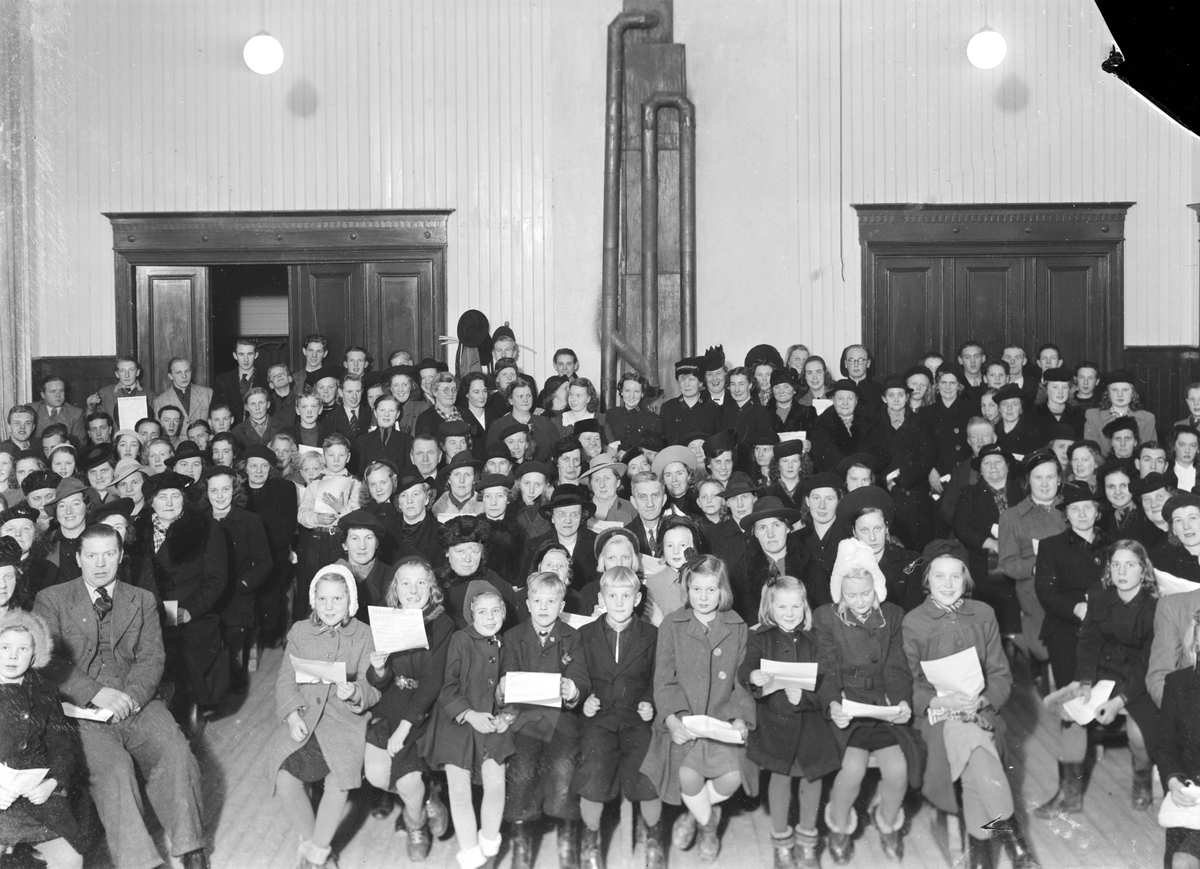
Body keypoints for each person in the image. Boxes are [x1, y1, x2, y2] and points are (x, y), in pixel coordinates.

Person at [34, 524, 208, 868]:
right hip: (80, 711)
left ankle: (190, 848)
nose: (100, 564)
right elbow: (50, 661)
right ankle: (139, 862)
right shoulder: (51, 599)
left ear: (121, 555)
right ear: (79, 558)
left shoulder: (141, 599)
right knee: (114, 770)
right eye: (92, 555)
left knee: (176, 752)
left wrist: (131, 698)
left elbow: (152, 658)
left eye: (109, 554)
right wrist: (96, 693)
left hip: (137, 702)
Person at [902, 541, 1036, 869]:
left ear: (966, 579)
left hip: (980, 709)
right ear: (927, 580)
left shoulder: (983, 614)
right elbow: (907, 683)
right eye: (939, 576)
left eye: (955, 576)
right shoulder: (914, 622)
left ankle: (980, 860)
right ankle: (1014, 841)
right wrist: (938, 700)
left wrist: (984, 700)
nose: (948, 584)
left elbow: (1000, 674)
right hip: (936, 716)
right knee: (974, 745)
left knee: (975, 765)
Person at [640, 554, 754, 864]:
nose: (703, 597)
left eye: (711, 589)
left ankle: (696, 815)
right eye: (696, 589)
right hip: (683, 721)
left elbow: (742, 682)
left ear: (722, 591)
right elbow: (663, 680)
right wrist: (672, 719)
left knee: (732, 777)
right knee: (687, 776)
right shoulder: (672, 624)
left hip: (722, 721)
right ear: (687, 590)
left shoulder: (737, 626)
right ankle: (708, 826)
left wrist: (740, 718)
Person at [269, 565, 379, 869]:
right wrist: (292, 715)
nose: (329, 607)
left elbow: (372, 688)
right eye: (322, 599)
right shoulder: (300, 631)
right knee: (284, 778)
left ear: (350, 601)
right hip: (307, 717)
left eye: (337, 599)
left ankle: (316, 855)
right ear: (313, 601)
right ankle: (312, 844)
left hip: (344, 722)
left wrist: (355, 692)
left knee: (339, 781)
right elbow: (285, 679)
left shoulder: (364, 635)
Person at [813, 539, 917, 865]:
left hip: (882, 706)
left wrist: (901, 702)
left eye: (866, 593)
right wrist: (833, 704)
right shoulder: (826, 618)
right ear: (839, 592)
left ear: (877, 587)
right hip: (848, 708)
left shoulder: (892, 616)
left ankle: (886, 820)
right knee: (852, 771)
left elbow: (896, 667)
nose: (859, 601)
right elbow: (826, 669)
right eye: (850, 595)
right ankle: (839, 825)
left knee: (899, 770)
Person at [738, 575, 839, 869]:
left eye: (796, 606)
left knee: (812, 776)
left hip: (809, 721)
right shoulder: (760, 637)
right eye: (782, 607)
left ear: (804, 607)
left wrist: (805, 697)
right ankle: (781, 841)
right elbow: (746, 667)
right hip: (775, 719)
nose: (790, 613)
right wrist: (752, 676)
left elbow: (826, 682)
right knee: (780, 777)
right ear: (770, 608)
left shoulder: (813, 639)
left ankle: (807, 840)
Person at [362, 557, 455, 859]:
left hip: (424, 712)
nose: (413, 591)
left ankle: (416, 824)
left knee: (408, 781)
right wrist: (378, 669)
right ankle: (429, 798)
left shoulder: (443, 624)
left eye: (420, 583)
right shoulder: (386, 620)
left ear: (432, 588)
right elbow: (379, 681)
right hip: (390, 705)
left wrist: (404, 727)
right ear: (396, 589)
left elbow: (433, 682)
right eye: (406, 583)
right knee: (376, 776)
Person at [573, 566, 664, 868]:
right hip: (599, 718)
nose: (619, 602)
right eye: (612, 596)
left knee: (648, 768)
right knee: (594, 768)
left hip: (636, 718)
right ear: (601, 598)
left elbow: (658, 678)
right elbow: (578, 676)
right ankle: (590, 841)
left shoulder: (652, 635)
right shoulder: (585, 634)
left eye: (626, 596)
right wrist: (584, 700)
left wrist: (650, 701)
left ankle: (653, 837)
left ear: (637, 599)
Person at [498, 572, 589, 869]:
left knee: (563, 768)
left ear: (561, 605)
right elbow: (508, 677)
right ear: (527, 604)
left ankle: (567, 837)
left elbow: (581, 677)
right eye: (537, 601)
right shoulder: (513, 637)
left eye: (551, 602)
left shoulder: (572, 637)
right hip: (525, 719)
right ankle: (521, 841)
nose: (544, 607)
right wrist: (504, 689)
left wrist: (573, 689)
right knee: (522, 769)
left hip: (562, 719)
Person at [1033, 481, 1109, 817]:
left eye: (1087, 508)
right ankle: (1069, 794)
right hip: (1067, 631)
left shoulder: (1113, 547)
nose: (1081, 514)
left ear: (1097, 511)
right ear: (1066, 515)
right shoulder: (1051, 546)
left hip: (1108, 633)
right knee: (1074, 707)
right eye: (1074, 509)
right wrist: (1077, 608)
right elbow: (1046, 593)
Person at [427, 579, 515, 869]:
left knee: (496, 786)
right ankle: (470, 855)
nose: (489, 618)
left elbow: (515, 687)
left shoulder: (507, 643)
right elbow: (447, 688)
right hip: (459, 723)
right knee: (460, 792)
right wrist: (468, 714)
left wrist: (507, 715)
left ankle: (488, 847)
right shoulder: (460, 640)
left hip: (492, 722)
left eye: (495, 611)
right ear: (471, 615)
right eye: (482, 612)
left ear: (503, 613)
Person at [132, 471, 229, 729]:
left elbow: (216, 579)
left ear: (184, 499)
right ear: (151, 502)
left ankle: (189, 715)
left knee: (187, 662)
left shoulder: (206, 528)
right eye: (162, 497)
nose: (169, 502)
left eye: (175, 496)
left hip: (189, 611)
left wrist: (190, 610)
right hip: (147, 613)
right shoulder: (136, 529)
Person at [0, 608, 96, 868]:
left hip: (36, 799)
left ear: (34, 655)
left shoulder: (46, 691)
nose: (12, 655)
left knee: (71, 859)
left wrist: (52, 783)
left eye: (23, 649)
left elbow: (62, 748)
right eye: (5, 647)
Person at [1070, 539, 1160, 810]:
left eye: (1130, 565)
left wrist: (1119, 701)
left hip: (1138, 678)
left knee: (1139, 737)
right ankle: (1069, 793)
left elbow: (1147, 663)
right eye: (1116, 565)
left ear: (1143, 570)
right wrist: (1085, 681)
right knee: (1071, 718)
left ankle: (1142, 779)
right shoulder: (1099, 597)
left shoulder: (1155, 608)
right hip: (1104, 672)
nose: (1122, 572)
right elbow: (1088, 643)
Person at [200, 464, 271, 694]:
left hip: (238, 597)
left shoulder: (250, 520)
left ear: (235, 490)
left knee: (235, 658)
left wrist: (243, 585)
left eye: (225, 489)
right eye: (214, 491)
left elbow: (264, 562)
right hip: (207, 597)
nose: (220, 496)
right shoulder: (199, 522)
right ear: (206, 493)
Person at [998, 450, 1067, 675]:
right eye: (1038, 478)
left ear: (1059, 479)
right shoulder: (1011, 517)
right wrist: (1037, 567)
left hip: (1072, 588)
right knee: (1048, 648)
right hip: (1035, 594)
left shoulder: (1073, 509)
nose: (1045, 484)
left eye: (1050, 477)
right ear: (1028, 481)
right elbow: (1008, 564)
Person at [953, 444, 1024, 641]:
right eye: (987, 463)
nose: (993, 467)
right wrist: (990, 543)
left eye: (998, 462)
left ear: (1007, 466)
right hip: (986, 566)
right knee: (992, 623)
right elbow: (961, 527)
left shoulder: (1022, 490)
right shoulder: (969, 493)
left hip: (1022, 562)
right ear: (980, 470)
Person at [295, 435, 361, 620]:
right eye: (331, 455)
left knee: (342, 586)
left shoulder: (355, 482)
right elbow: (302, 514)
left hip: (341, 540)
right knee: (315, 585)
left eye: (341, 455)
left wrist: (341, 510)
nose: (336, 460)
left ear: (348, 457)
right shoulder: (316, 482)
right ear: (324, 457)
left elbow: (358, 515)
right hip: (317, 540)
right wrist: (317, 518)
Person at [1156, 618, 1200, 869]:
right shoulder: (1177, 683)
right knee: (1179, 862)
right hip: (1191, 796)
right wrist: (1173, 782)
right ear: (1196, 639)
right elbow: (1166, 746)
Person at [1083, 370, 1157, 456]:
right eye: (1115, 390)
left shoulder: (1147, 418)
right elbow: (1091, 452)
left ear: (1133, 393)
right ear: (1108, 393)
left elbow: (1150, 454)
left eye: (1125, 390)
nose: (1120, 394)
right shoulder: (1093, 416)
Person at [659, 357, 720, 444]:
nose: (686, 384)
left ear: (700, 382)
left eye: (691, 379)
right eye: (682, 379)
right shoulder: (668, 409)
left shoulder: (713, 409)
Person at [601, 372, 662, 452]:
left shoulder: (653, 419)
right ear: (621, 392)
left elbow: (655, 452)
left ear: (642, 394)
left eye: (636, 391)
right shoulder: (609, 415)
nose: (631, 396)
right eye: (627, 391)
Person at [152, 357, 213, 424]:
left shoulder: (207, 393)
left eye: (187, 371)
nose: (184, 376)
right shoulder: (160, 401)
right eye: (178, 372)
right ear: (170, 376)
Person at [33, 375, 86, 446]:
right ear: (43, 395)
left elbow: (80, 444)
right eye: (53, 391)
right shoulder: (33, 409)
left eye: (61, 391)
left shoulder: (76, 413)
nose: (58, 395)